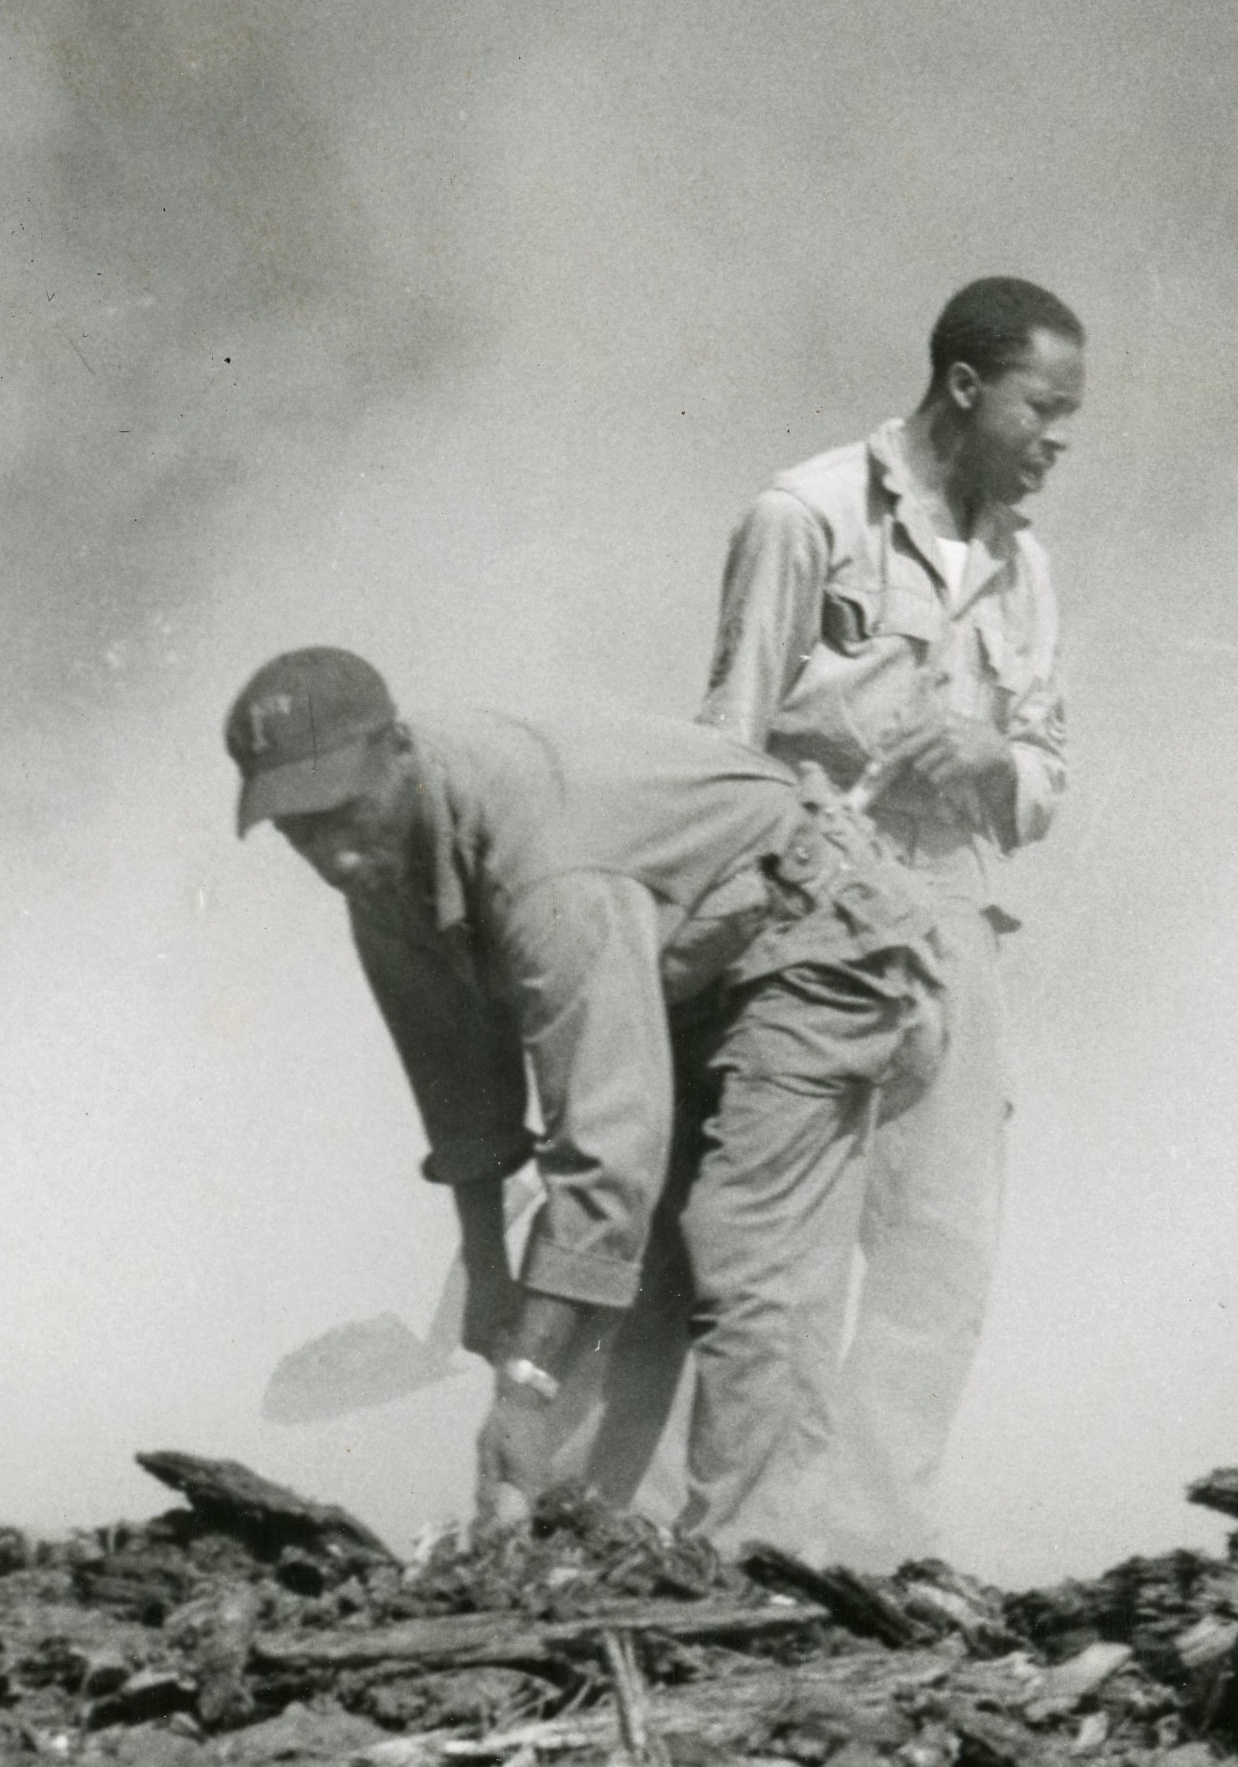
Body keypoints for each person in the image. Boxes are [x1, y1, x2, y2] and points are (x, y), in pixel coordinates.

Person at [224, 647, 947, 1550]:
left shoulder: (542, 864)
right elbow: (462, 1099)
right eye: (297, 829)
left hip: (818, 937)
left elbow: (608, 1158)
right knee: (607, 1295)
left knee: (742, 1257)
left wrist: (524, 1382)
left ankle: (763, 1569)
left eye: (341, 812)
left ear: (397, 751)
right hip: (688, 969)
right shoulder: (379, 868)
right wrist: (488, 1269)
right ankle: (607, 1553)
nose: (332, 853)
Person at [699, 274, 1076, 1564]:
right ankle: (751, 1541)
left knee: (942, 1254)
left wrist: (986, 758)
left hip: (957, 922)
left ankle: (873, 1541)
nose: (1057, 441)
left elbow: (1044, 780)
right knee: (786, 1253)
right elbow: (724, 752)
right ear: (966, 388)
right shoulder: (803, 517)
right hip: (811, 915)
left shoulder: (1027, 571)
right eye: (1044, 407)